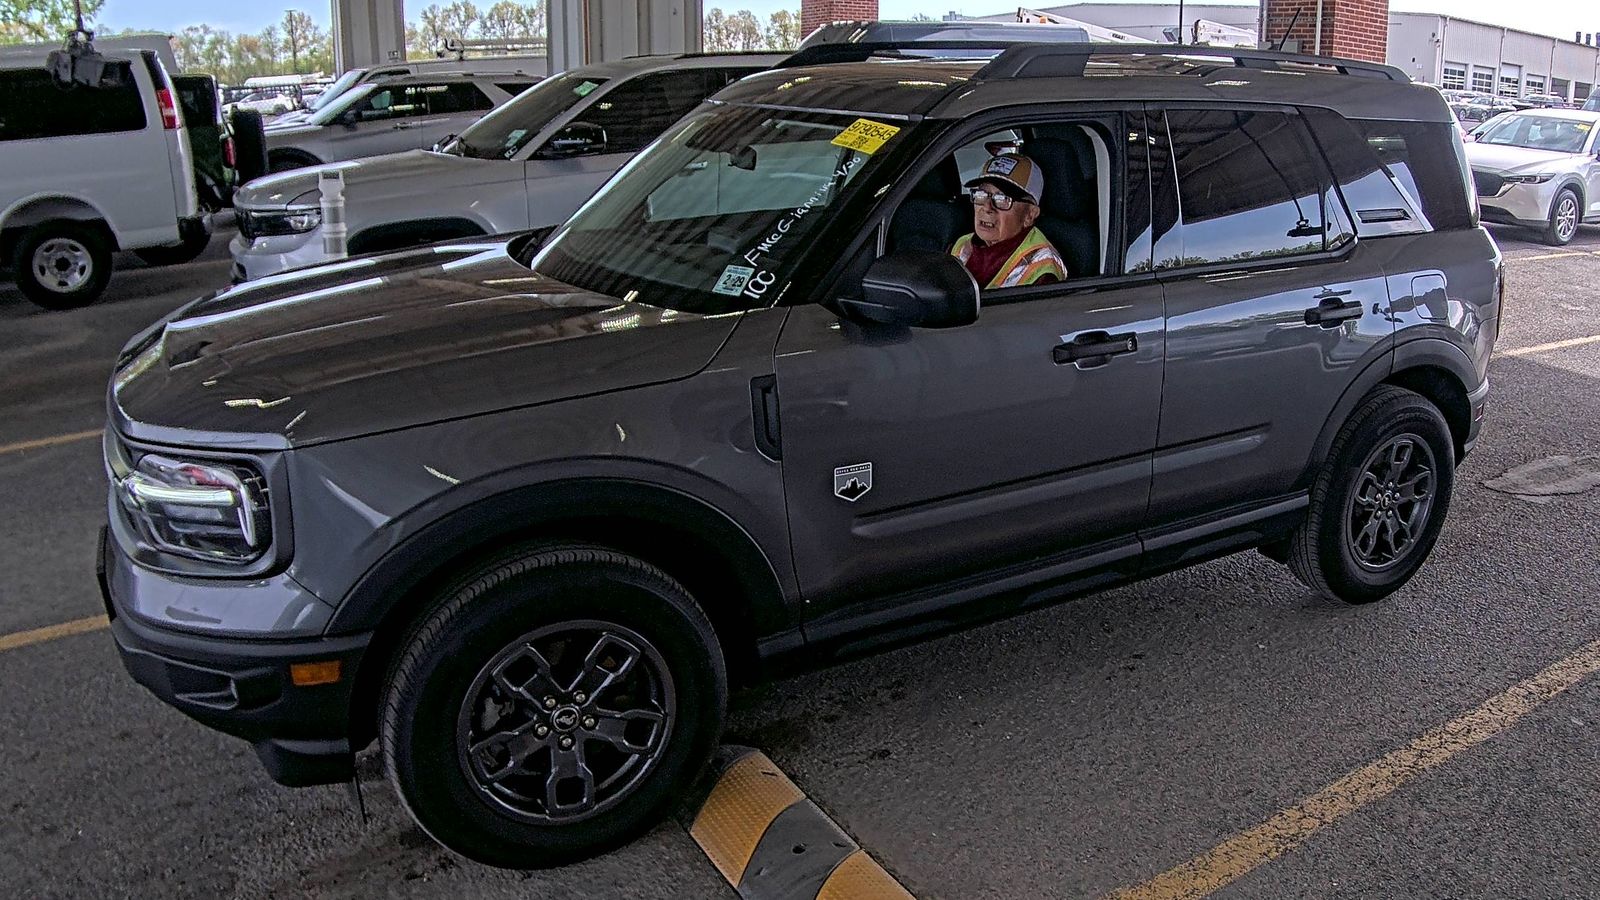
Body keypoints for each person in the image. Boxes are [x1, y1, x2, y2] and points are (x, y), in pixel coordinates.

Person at [950, 153, 1067, 288]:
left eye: (1002, 199)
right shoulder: (963, 244)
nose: (987, 207)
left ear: (1030, 215)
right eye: (981, 195)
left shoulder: (1042, 269)